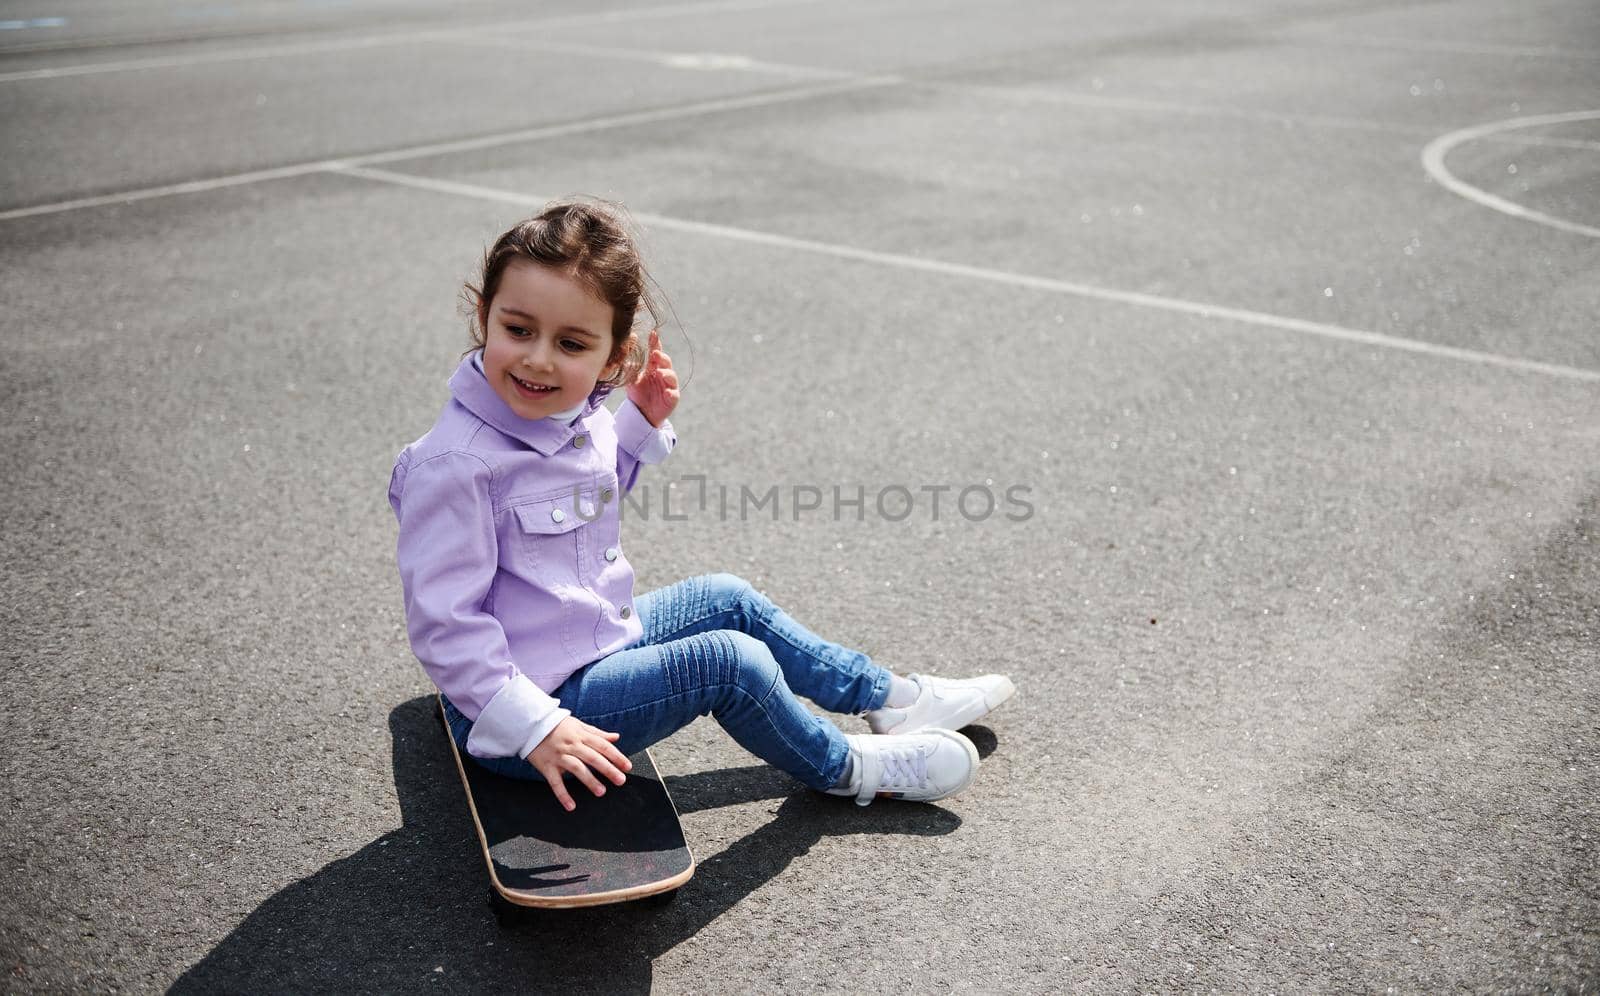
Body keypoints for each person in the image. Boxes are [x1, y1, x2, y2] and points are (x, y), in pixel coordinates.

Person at [388, 199, 1014, 811]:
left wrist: (637, 421)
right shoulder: (455, 466)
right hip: (528, 719)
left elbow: (584, 504)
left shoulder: (568, 416)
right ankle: (849, 768)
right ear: (484, 313)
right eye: (517, 329)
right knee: (726, 664)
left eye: (571, 344)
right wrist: (536, 729)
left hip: (593, 643)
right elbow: (445, 625)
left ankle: (892, 700)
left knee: (728, 597)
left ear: (614, 355)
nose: (538, 358)